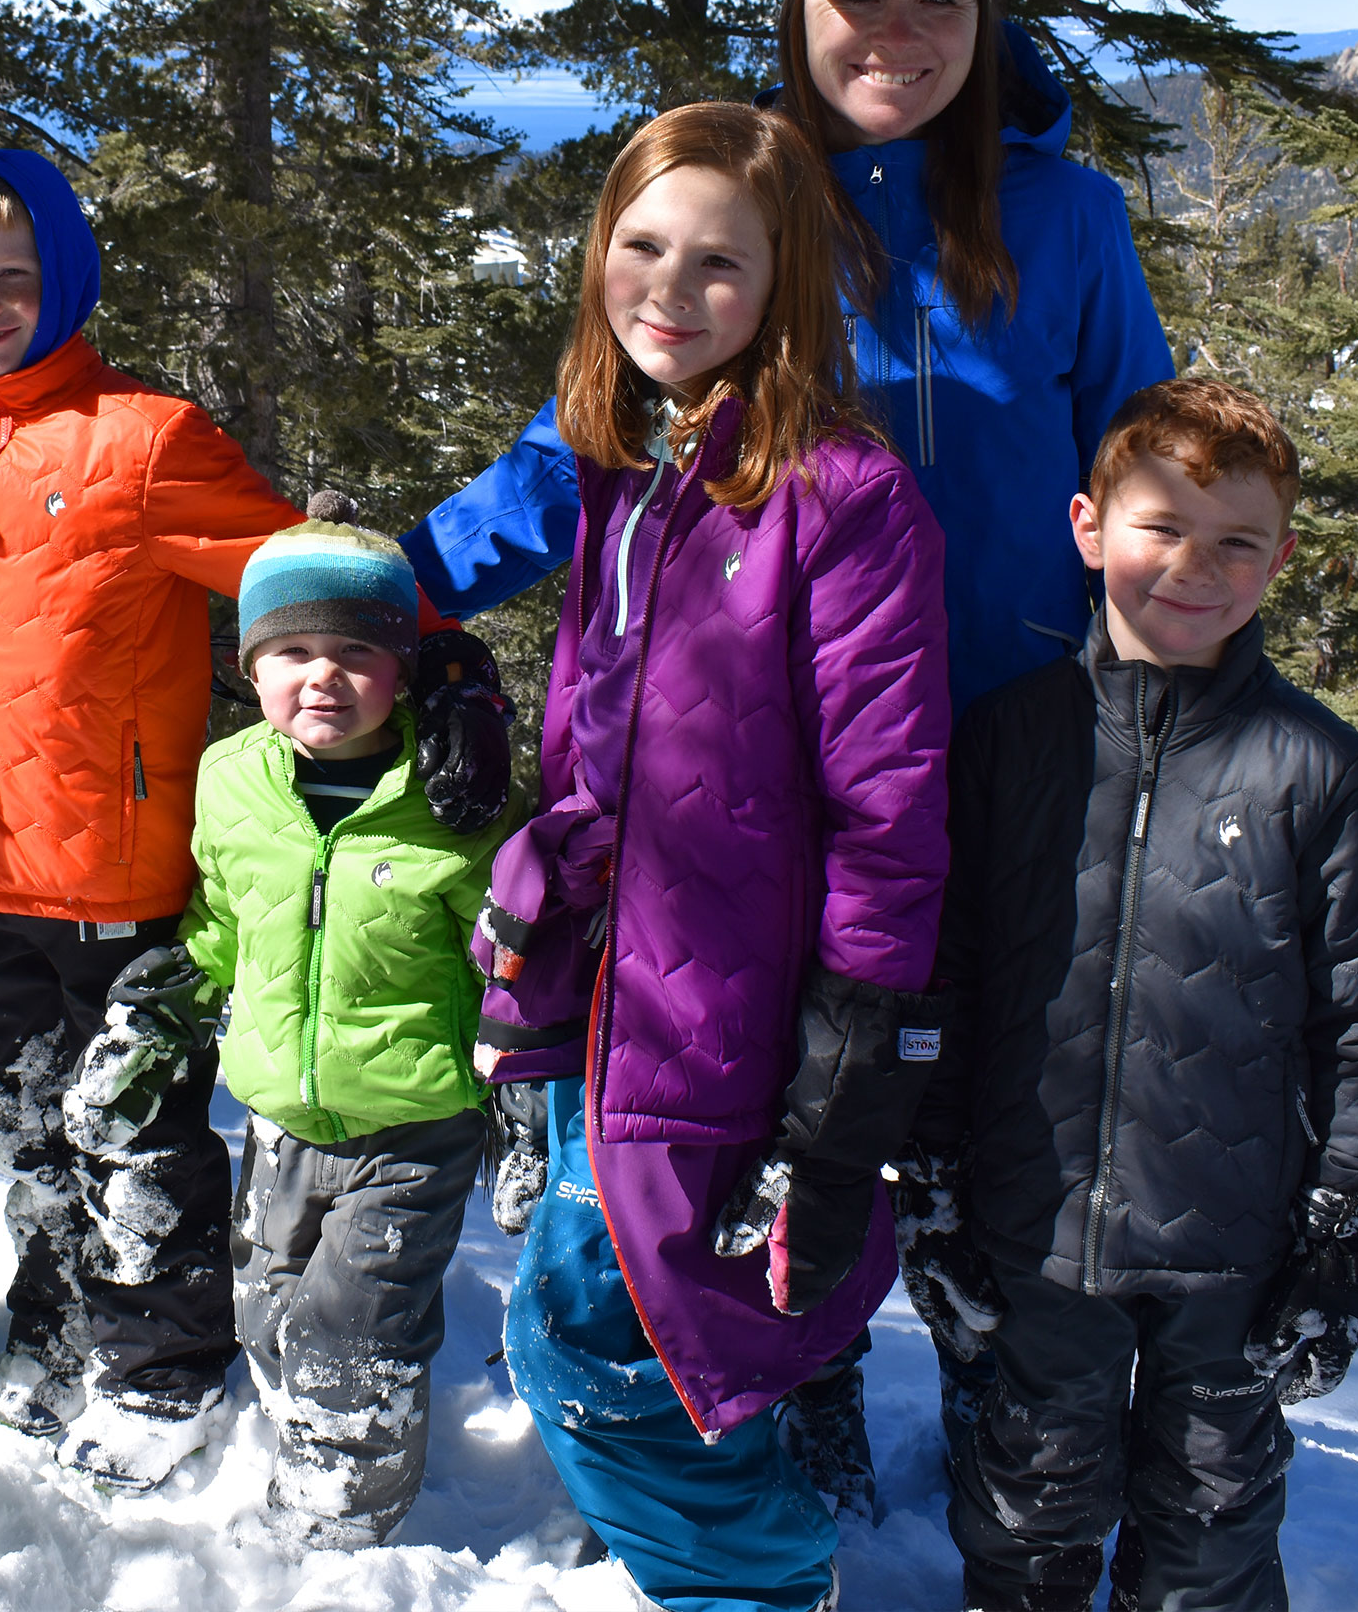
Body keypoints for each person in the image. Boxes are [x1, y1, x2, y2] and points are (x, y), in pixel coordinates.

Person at [405, 0, 1176, 1499]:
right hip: (771, 790)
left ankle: (1001, 1433)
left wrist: (1194, 682)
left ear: (985, 17)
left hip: (1010, 754)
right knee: (793, 1106)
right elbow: (575, 453)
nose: (894, 31)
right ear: (799, 11)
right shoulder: (751, 212)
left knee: (983, 1119)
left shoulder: (1066, 218)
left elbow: (1143, 465)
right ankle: (794, 1375)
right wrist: (382, 593)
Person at [472, 102, 952, 1612]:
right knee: (649, 1304)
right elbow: (459, 557)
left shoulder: (840, 495)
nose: (670, 291)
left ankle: (752, 1580)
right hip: (599, 975)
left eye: (722, 266)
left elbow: (890, 795)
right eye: (641, 246)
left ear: (786, 289)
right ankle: (747, 1517)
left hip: (725, 1011)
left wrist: (852, 1024)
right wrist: (369, 626)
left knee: (590, 1342)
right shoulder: (617, 453)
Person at [902, 379, 1358, 1611]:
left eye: (1236, 541)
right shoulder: (1011, 738)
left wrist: (1348, 1226)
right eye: (1160, 527)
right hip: (1036, 1228)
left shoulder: (1318, 766)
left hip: (1236, 1245)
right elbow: (947, 971)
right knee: (1027, 1510)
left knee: (1212, 1530)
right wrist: (926, 1177)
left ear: (1280, 557)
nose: (1194, 567)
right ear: (1088, 527)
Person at [0, 146, 300, 1484]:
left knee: (136, 1128)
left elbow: (294, 572)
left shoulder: (143, 437)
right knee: (25, 1130)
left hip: (116, 874)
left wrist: (407, 651)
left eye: (14, 277)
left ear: (66, 278)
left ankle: (166, 1365)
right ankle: (60, 1320)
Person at [64, 495, 510, 1546]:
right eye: (293, 649)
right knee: (267, 1301)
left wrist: (522, 1089)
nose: (323, 674)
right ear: (252, 667)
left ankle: (341, 1514)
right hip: (279, 1115)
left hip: (414, 1120)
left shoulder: (445, 798)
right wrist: (165, 1012)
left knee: (354, 1320)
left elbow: (511, 955)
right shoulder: (232, 782)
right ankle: (304, 1425)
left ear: (403, 670)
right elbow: (221, 919)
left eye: (356, 650)